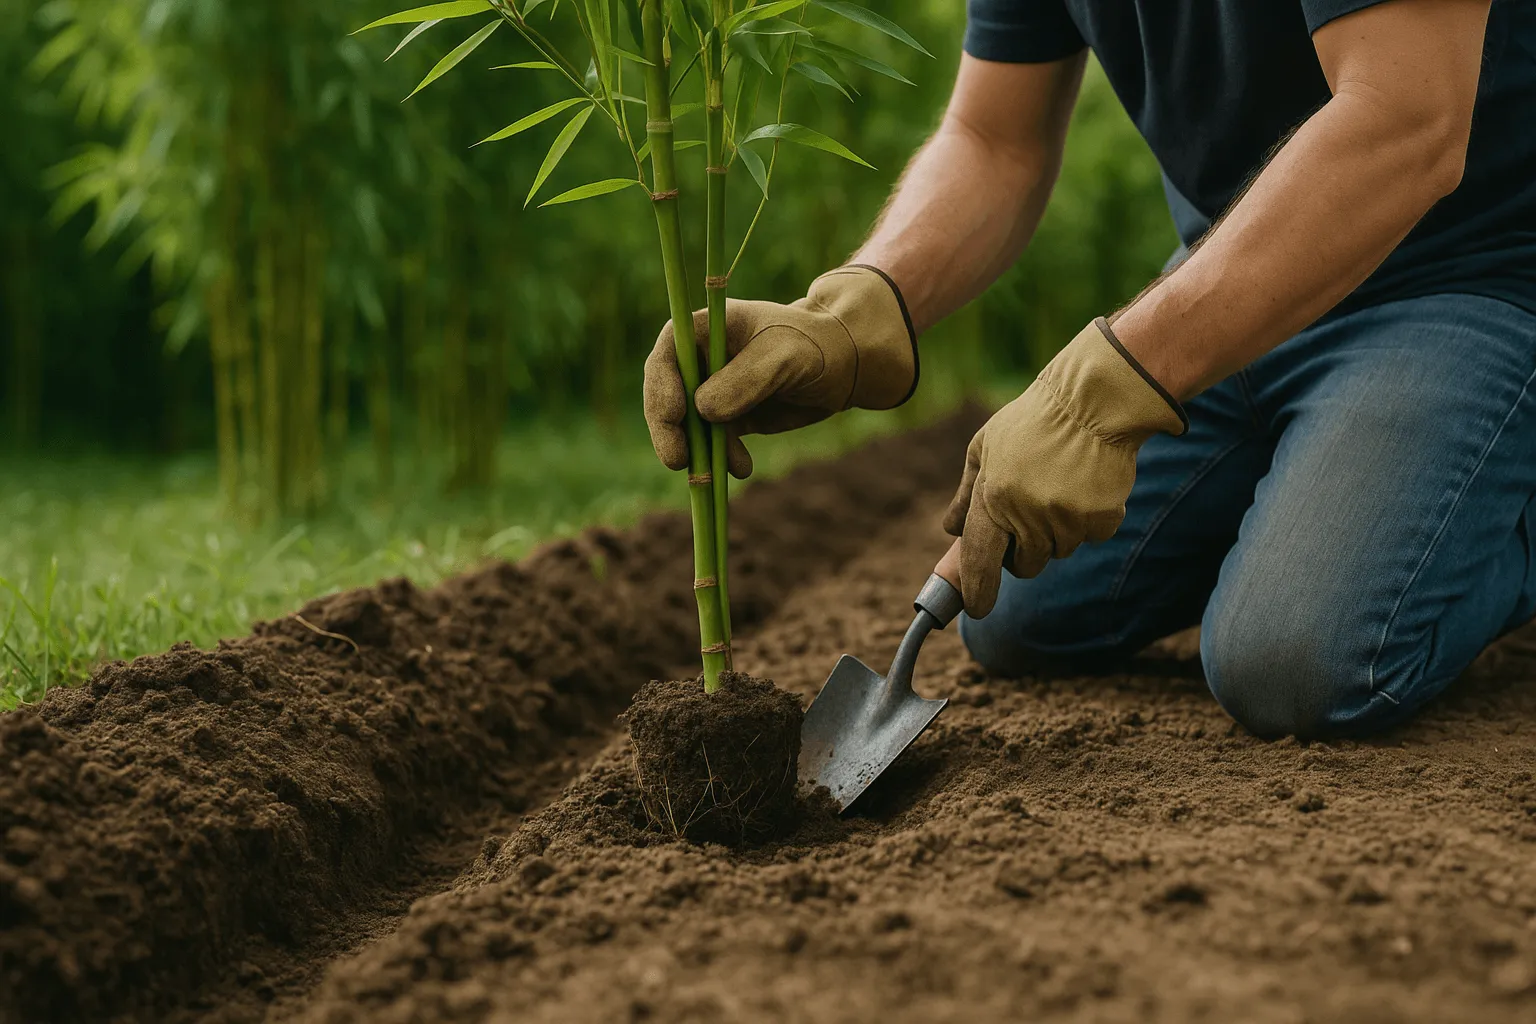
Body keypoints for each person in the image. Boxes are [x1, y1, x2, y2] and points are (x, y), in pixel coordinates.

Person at [643, 0, 1536, 738]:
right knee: (1020, 613)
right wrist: (854, 309)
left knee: (1295, 660)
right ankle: (1365, 480)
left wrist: (1101, 394)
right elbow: (994, 138)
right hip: (1242, 283)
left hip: (1473, 279)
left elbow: (1405, 119)